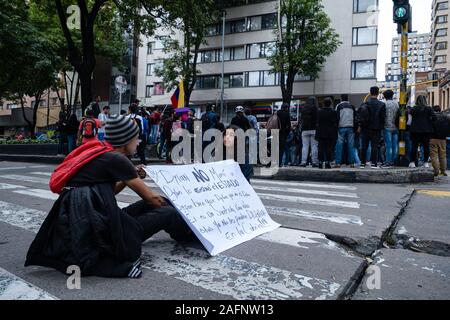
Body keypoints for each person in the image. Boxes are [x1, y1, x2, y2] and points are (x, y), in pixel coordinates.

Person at [25, 114, 197, 278]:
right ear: (125, 140)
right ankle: (191, 233)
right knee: (167, 210)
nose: (139, 142)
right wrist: (184, 213)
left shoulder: (102, 153)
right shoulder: (117, 159)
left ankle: (185, 229)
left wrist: (127, 177)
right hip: (97, 225)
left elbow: (108, 191)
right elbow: (152, 198)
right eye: (136, 138)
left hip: (88, 219)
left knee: (159, 204)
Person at [359, 86, 386, 169]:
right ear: (378, 93)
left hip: (365, 128)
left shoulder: (364, 104)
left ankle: (362, 163)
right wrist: (381, 127)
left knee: (364, 146)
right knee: (374, 146)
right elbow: (382, 118)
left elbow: (360, 116)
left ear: (370, 93)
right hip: (376, 128)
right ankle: (374, 163)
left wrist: (360, 126)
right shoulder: (382, 104)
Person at [409, 95, 436, 168]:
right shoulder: (429, 108)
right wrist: (428, 121)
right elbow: (435, 118)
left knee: (414, 146)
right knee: (426, 146)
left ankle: (412, 162)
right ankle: (425, 162)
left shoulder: (413, 109)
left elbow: (409, 120)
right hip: (426, 130)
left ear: (417, 100)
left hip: (415, 130)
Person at [316, 98, 338, 169]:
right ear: (330, 104)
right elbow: (336, 122)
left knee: (320, 148)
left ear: (323, 103)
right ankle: (328, 162)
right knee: (329, 148)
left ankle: (320, 162)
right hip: (330, 132)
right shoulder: (334, 112)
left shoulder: (319, 112)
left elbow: (317, 122)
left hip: (321, 132)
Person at [335, 94, 356, 167]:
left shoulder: (339, 106)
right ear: (347, 99)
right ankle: (352, 163)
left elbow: (337, 117)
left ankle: (338, 163)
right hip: (351, 127)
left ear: (341, 99)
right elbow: (355, 117)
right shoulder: (352, 106)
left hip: (341, 127)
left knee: (339, 146)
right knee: (351, 146)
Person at [382, 90, 399, 168]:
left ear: (385, 97)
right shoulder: (396, 104)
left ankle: (388, 162)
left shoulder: (384, 104)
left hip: (387, 127)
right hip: (396, 127)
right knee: (395, 145)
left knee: (388, 146)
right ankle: (394, 161)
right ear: (392, 96)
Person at [430, 105, 449, 176]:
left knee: (434, 155)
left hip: (432, 138)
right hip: (443, 139)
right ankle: (443, 171)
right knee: (443, 155)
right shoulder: (446, 117)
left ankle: (436, 170)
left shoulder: (432, 117)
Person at [300, 97, 319, 167]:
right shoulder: (316, 109)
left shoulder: (303, 109)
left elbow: (301, 120)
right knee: (314, 146)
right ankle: (314, 161)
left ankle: (303, 161)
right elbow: (317, 120)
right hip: (314, 129)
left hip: (304, 130)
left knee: (304, 146)